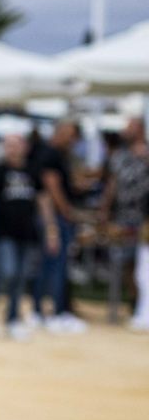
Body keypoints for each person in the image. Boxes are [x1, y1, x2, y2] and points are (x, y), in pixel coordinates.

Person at [0, 133, 55, 340]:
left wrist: (51, 230)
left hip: (27, 233)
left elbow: (44, 202)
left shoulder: (33, 171)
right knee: (6, 271)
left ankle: (12, 319)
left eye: (16, 144)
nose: (12, 149)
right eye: (8, 145)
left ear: (25, 147)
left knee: (20, 277)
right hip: (3, 232)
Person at [33, 119, 87, 333]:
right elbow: (52, 186)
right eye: (72, 135)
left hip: (53, 217)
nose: (74, 141)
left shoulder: (54, 154)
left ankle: (42, 311)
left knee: (49, 265)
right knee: (56, 265)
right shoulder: (51, 154)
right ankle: (55, 312)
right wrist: (67, 213)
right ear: (63, 132)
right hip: (54, 218)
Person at [99, 117, 148, 325]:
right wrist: (105, 209)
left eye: (130, 127)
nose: (125, 131)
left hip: (144, 217)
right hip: (123, 217)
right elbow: (112, 183)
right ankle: (135, 302)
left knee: (144, 266)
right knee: (126, 263)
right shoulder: (119, 155)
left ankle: (142, 306)